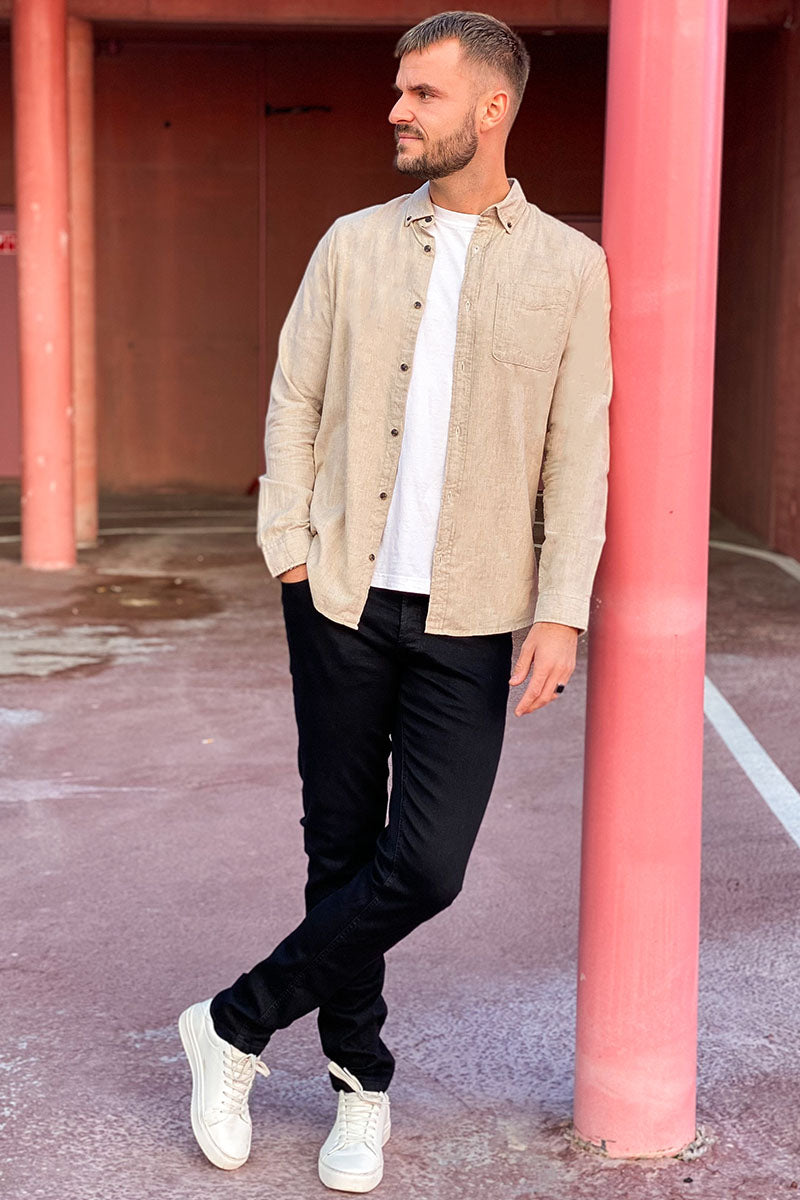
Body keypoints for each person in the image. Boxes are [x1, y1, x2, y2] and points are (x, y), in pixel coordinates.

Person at [178, 9, 612, 1193]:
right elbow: (295, 397)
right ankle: (358, 1086)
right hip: (337, 593)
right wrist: (287, 546)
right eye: (397, 89)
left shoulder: (568, 268)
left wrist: (561, 606)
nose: (396, 110)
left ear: (491, 107)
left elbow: (577, 451)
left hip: (472, 611)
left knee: (422, 867)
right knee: (338, 849)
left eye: (422, 93)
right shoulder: (352, 244)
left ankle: (231, 1021)